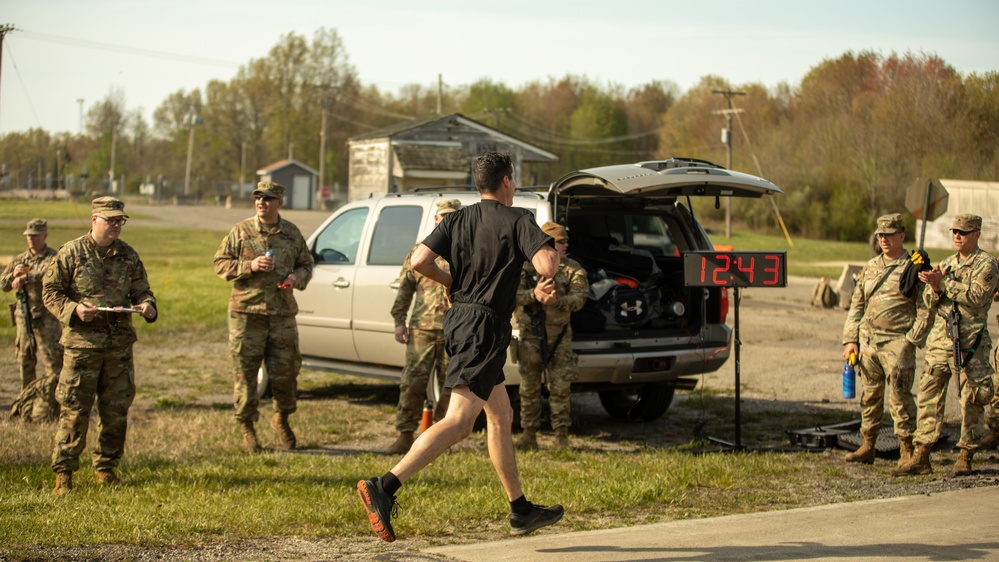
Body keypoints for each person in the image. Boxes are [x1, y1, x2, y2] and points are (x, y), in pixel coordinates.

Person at [356, 151, 562, 542]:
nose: (514, 186)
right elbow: (547, 268)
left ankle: (520, 510)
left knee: (500, 415)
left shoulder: (457, 218)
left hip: (462, 322)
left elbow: (419, 260)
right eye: (514, 180)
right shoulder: (519, 219)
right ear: (506, 181)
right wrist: (547, 246)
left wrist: (451, 282)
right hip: (484, 327)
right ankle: (384, 486)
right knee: (460, 421)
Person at [42, 197, 158, 494]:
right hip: (82, 346)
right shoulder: (71, 253)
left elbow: (142, 290)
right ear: (95, 219)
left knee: (116, 409)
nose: (117, 225)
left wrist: (147, 306)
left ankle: (106, 469)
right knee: (74, 409)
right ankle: (64, 473)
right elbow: (51, 292)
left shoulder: (128, 256)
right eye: (111, 220)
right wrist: (74, 311)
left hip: (118, 347)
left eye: (120, 220)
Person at [894, 214, 999, 477]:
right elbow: (933, 299)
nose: (957, 236)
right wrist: (933, 285)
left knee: (971, 399)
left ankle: (966, 454)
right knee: (929, 394)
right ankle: (922, 454)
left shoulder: (987, 265)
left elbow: (977, 296)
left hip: (970, 343)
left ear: (976, 234)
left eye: (963, 232)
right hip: (941, 340)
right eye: (955, 231)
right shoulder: (948, 263)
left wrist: (945, 284)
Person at [213, 181, 314, 453]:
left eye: (268, 198)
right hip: (247, 315)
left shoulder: (291, 233)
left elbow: (307, 264)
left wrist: (296, 278)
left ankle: (281, 418)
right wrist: (249, 266)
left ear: (279, 202)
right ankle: (247, 427)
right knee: (245, 374)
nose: (262, 202)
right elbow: (220, 264)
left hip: (281, 314)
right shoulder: (241, 231)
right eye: (258, 197)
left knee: (287, 372)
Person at [841, 214, 930, 466]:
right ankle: (868, 445)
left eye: (889, 235)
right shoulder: (870, 267)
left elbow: (925, 309)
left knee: (900, 399)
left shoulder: (913, 267)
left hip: (897, 344)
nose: (884, 240)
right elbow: (856, 306)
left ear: (901, 235)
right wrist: (851, 340)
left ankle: (906, 450)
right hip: (869, 345)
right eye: (880, 235)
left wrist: (911, 341)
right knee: (870, 397)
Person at [386, 199, 460, 454]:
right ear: (436, 220)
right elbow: (405, 289)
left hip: (456, 330)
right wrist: (399, 322)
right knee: (412, 383)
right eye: (443, 217)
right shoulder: (420, 251)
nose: (447, 220)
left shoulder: (466, 248)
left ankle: (441, 438)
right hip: (422, 329)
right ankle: (405, 435)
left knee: (452, 386)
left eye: (452, 216)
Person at [515, 221, 588, 449]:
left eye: (566, 240)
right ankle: (529, 434)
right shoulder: (524, 267)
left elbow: (580, 299)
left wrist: (557, 301)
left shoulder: (571, 268)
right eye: (561, 241)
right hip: (530, 338)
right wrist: (533, 295)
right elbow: (510, 297)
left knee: (560, 388)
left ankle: (561, 437)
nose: (566, 244)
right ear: (547, 242)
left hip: (559, 338)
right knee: (529, 387)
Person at [1, 219, 64, 398]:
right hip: (24, 315)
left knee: (52, 359)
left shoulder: (53, 257)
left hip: (47, 317)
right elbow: (3, 284)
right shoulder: (20, 260)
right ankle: (27, 400)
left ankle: (51, 401)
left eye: (35, 236)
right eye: (29, 236)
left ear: (44, 235)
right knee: (24, 359)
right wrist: (13, 276)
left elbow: (51, 276)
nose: (31, 239)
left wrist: (27, 278)